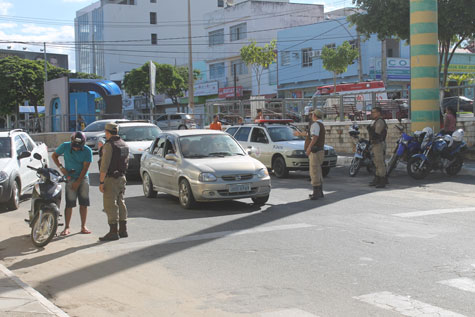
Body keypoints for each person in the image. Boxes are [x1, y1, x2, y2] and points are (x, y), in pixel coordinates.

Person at [52, 131, 93, 235]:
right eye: (74, 146)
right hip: (70, 177)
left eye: (78, 147)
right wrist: (61, 168)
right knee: (69, 203)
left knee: (84, 203)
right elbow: (54, 156)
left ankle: (83, 226)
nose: (76, 148)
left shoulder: (88, 151)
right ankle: (67, 227)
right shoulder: (65, 146)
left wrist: (78, 182)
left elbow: (85, 168)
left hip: (83, 178)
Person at [98, 123, 130, 241]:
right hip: (122, 177)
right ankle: (123, 230)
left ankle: (113, 232)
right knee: (121, 202)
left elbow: (104, 166)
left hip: (111, 179)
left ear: (107, 132)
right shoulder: (123, 144)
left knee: (110, 205)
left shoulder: (109, 145)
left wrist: (101, 182)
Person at [305, 109, 325, 200]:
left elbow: (315, 138)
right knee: (318, 171)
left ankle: (316, 193)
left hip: (315, 151)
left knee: (314, 171)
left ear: (314, 115)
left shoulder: (315, 124)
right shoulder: (320, 124)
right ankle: (319, 192)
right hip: (319, 151)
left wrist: (309, 148)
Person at [367, 106, 388, 188]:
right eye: (372, 112)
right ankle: (377, 178)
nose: (372, 114)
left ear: (379, 113)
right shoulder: (375, 121)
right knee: (376, 162)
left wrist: (372, 136)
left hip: (378, 144)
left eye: (374, 112)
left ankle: (382, 180)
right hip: (375, 144)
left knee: (380, 162)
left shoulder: (379, 121)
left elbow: (377, 134)